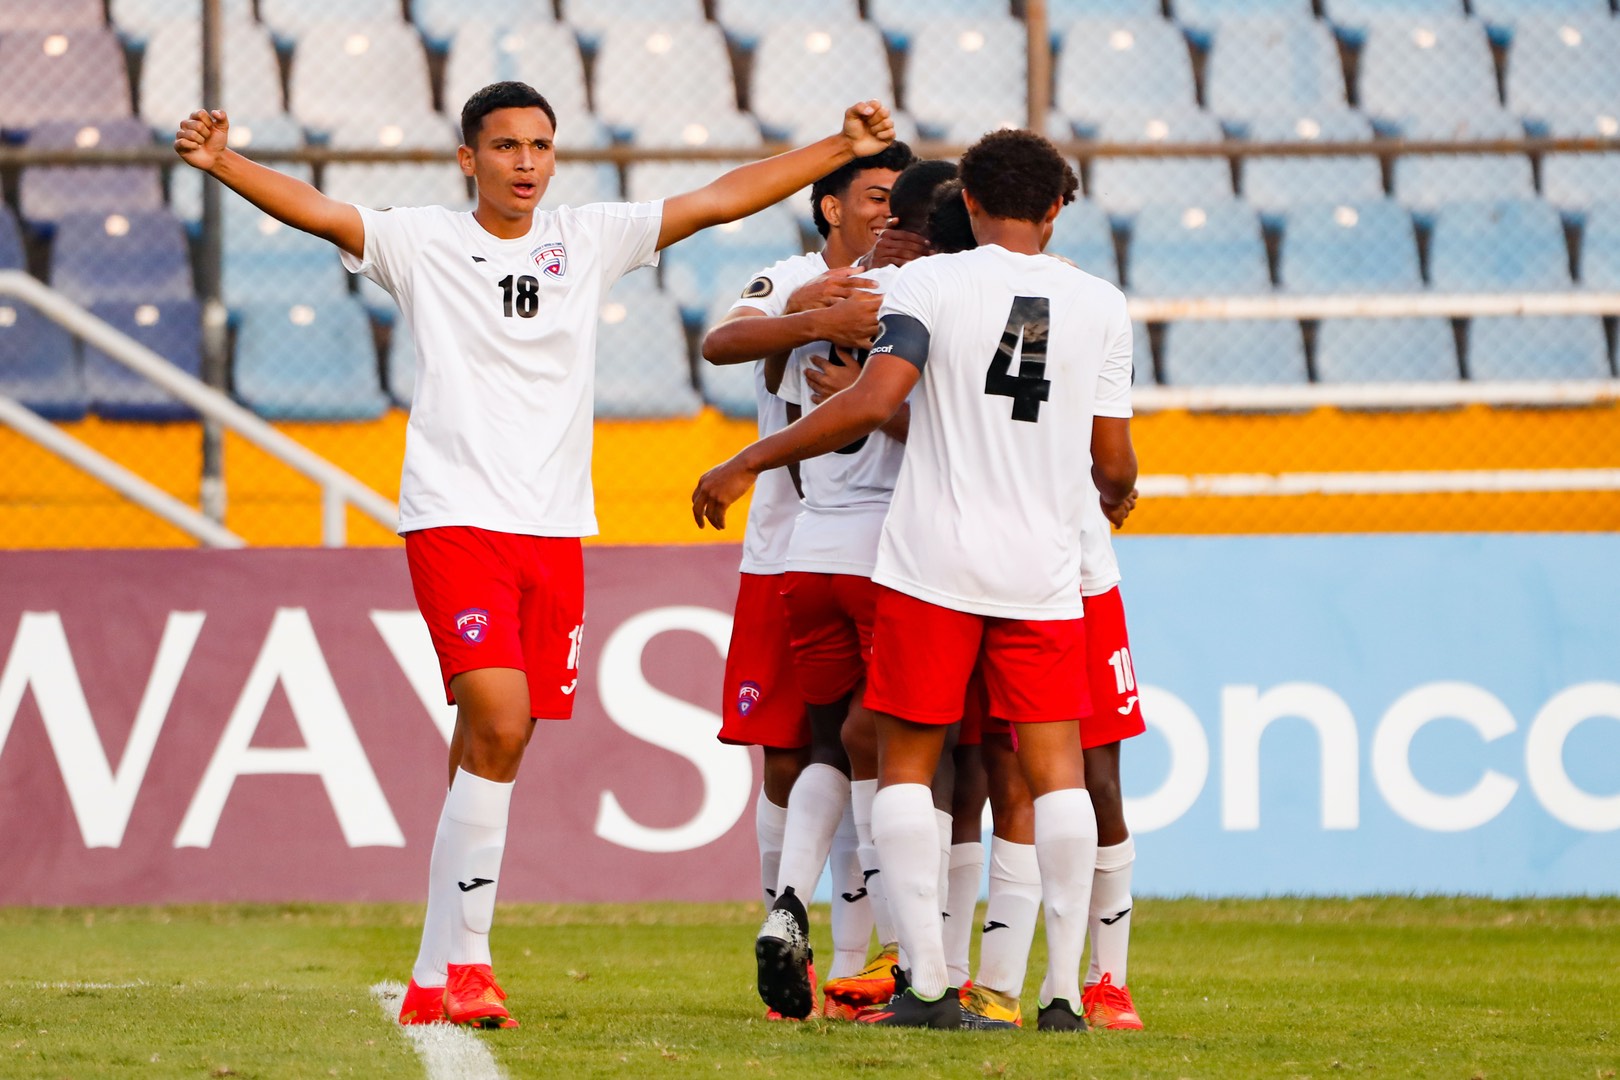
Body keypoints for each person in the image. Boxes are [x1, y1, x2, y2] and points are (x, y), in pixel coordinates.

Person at [176, 81, 896, 1030]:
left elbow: (724, 195)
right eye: (507, 146)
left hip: (554, 531)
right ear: (468, 158)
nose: (526, 162)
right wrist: (224, 163)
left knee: (489, 741)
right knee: (502, 723)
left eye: (541, 146)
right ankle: (472, 965)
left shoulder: (587, 238)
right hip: (456, 518)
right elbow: (319, 212)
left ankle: (436, 972)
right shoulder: (423, 242)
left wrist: (834, 145)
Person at [690, 128, 1137, 1031]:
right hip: (1043, 573)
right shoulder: (1100, 303)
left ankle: (925, 981)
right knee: (1055, 773)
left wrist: (749, 458)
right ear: (1057, 209)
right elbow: (1117, 462)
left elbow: (868, 401)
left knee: (901, 763)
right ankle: (1057, 993)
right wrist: (1112, 497)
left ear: (964, 203)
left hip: (929, 566)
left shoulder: (928, 284)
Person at [921, 179, 1149, 1032]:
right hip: (1021, 574)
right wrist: (1113, 488)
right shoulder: (983, 305)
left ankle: (1100, 978)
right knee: (1006, 770)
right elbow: (1111, 461)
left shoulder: (1069, 304)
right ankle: (1005, 982)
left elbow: (1102, 448)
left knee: (1083, 775)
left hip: (1067, 577)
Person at [701, 141, 912, 1019]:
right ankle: (783, 939)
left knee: (867, 748)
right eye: (871, 197)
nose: (886, 214)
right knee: (787, 756)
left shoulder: (920, 294)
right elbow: (723, 341)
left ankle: (856, 969)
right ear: (830, 208)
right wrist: (813, 321)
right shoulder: (789, 277)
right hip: (783, 552)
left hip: (885, 551)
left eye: (900, 203)